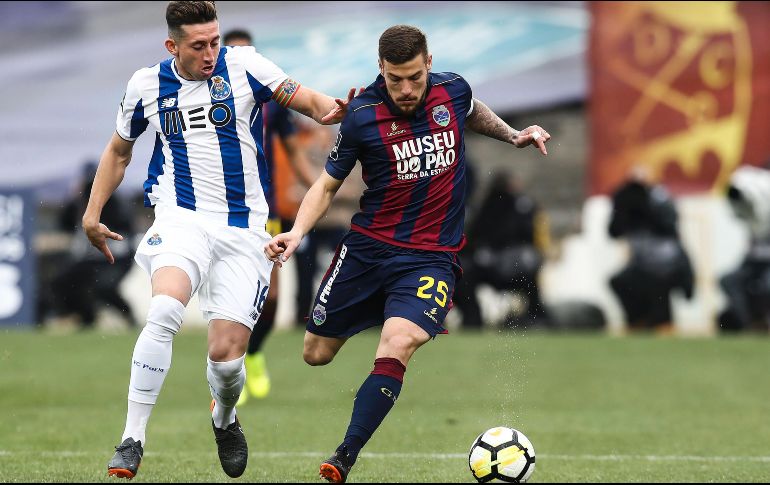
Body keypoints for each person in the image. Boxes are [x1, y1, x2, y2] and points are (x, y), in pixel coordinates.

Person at [265, 25, 551, 483]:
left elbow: (473, 111)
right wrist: (298, 232)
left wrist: (513, 134)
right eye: (396, 78)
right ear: (381, 68)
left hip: (431, 259)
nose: (406, 88)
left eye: (414, 77)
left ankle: (344, 456)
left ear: (429, 63)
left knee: (398, 343)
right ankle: (381, 306)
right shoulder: (361, 115)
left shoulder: (453, 90)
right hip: (366, 252)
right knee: (315, 353)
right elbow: (326, 183)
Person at [82, 2, 356, 479]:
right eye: (198, 45)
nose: (211, 53)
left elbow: (308, 100)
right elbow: (119, 151)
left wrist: (336, 111)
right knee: (164, 309)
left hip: (245, 228)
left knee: (226, 355)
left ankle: (224, 418)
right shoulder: (145, 85)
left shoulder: (244, 64)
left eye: (215, 41)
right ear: (173, 46)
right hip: (179, 216)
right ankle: (132, 439)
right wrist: (91, 213)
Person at [220, 28, 315, 405]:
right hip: (221, 212)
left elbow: (294, 152)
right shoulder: (209, 96)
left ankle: (253, 354)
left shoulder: (272, 100)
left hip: (266, 212)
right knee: (230, 299)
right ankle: (230, 367)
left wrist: (323, 186)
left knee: (271, 299)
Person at [453, 171, 549, 329]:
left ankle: (473, 319)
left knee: (464, 276)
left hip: (501, 265)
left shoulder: (515, 206)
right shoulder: (497, 206)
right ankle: (535, 317)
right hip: (501, 266)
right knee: (464, 277)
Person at [48, 162, 136, 329]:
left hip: (117, 257)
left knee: (103, 286)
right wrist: (74, 197)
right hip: (92, 257)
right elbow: (64, 223)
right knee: (64, 282)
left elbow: (124, 228)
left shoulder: (113, 200)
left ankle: (128, 317)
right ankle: (85, 317)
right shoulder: (79, 201)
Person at [607, 168, 695, 333]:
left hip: (669, 263)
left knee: (656, 282)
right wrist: (621, 207)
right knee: (621, 282)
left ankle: (663, 324)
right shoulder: (628, 203)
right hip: (642, 263)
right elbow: (613, 231)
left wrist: (648, 207)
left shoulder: (660, 198)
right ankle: (638, 320)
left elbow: (670, 225)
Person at [718, 165, 770, 332]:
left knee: (766, 286)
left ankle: (762, 321)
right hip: (754, 261)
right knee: (729, 281)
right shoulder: (751, 200)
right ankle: (749, 324)